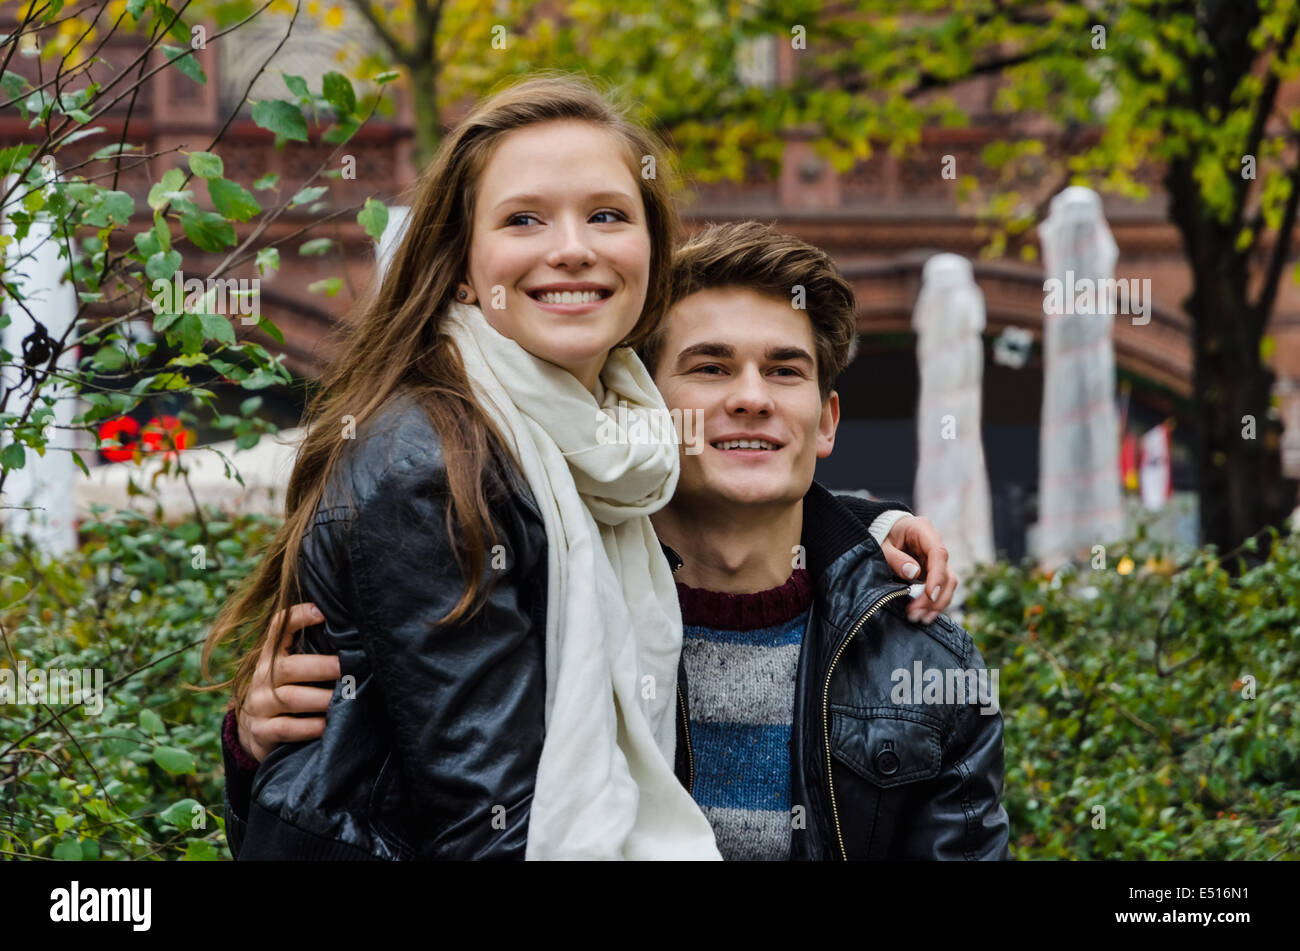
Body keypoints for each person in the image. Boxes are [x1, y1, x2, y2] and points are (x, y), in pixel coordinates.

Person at [223, 220, 1009, 860]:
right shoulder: (518, 615)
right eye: (708, 367)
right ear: (635, 412)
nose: (749, 398)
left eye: (784, 371)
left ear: (826, 421)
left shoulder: (924, 660)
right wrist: (264, 754)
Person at [204, 73, 734, 860]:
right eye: (523, 218)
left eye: (607, 215)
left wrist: (873, 535)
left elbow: (758, 499)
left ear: (651, 251)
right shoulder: (435, 461)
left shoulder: (614, 437)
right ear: (460, 265)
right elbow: (485, 831)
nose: (572, 248)